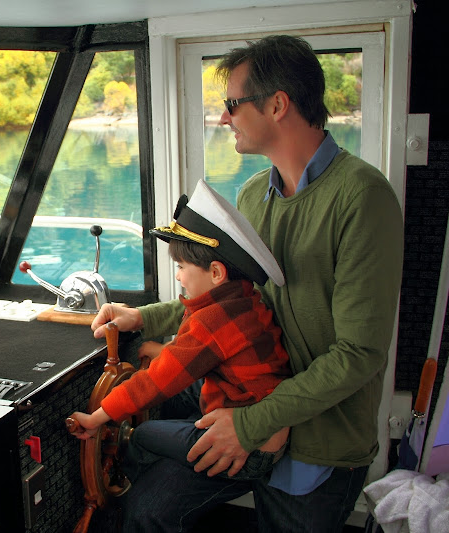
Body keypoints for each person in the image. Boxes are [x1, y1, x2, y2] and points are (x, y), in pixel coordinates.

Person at [91, 35, 404, 532]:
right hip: (245, 397)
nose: (223, 118)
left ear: (277, 105)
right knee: (145, 510)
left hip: (316, 436)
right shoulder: (255, 193)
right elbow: (229, 297)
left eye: (233, 104)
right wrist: (144, 317)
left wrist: (251, 425)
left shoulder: (362, 198)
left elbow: (358, 354)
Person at [69, 179, 292, 487]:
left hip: (249, 446)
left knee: (143, 435)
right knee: (176, 402)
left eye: (182, 267)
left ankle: (134, 489)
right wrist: (161, 347)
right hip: (268, 426)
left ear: (216, 273)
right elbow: (210, 352)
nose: (178, 276)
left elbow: (156, 381)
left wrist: (97, 417)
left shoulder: (214, 321)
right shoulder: (243, 300)